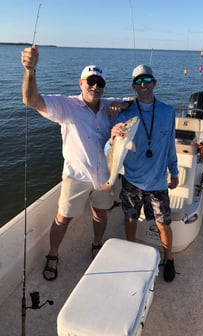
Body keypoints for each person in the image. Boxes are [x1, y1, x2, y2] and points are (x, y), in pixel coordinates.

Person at [21, 45, 128, 281]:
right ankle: (53, 254)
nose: (95, 86)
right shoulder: (65, 105)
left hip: (104, 177)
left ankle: (97, 244)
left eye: (100, 83)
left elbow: (132, 102)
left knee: (100, 213)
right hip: (76, 176)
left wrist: (122, 105)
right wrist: (30, 70)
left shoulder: (109, 105)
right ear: (81, 83)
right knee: (63, 218)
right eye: (90, 81)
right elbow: (30, 100)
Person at [109, 64, 179, 282]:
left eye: (147, 81)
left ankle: (169, 258)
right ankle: (130, 251)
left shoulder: (168, 112)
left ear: (154, 83)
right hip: (131, 179)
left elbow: (170, 145)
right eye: (138, 82)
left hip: (158, 181)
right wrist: (114, 132)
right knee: (130, 217)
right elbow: (112, 145)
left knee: (163, 223)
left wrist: (173, 170)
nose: (143, 85)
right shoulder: (124, 112)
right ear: (133, 86)